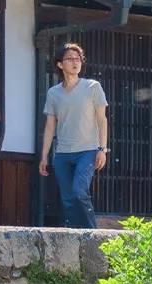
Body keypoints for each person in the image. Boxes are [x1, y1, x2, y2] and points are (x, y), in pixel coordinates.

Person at [38, 42, 108, 229]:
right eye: (70, 58)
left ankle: (92, 235)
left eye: (78, 59)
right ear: (60, 64)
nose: (75, 62)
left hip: (88, 150)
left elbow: (102, 120)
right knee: (68, 198)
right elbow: (50, 126)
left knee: (79, 191)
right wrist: (45, 155)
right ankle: (73, 235)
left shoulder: (93, 86)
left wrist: (102, 149)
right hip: (62, 153)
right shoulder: (53, 93)